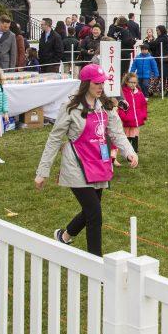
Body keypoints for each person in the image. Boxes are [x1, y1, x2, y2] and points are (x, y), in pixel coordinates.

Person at [37, 64, 137, 257]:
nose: (100, 87)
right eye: (96, 83)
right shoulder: (71, 108)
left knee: (91, 210)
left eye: (102, 83)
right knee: (95, 214)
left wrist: (129, 152)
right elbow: (54, 138)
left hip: (99, 162)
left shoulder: (106, 106)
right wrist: (43, 172)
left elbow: (116, 132)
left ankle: (64, 236)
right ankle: (96, 263)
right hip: (76, 165)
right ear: (86, 84)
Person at [117, 72, 148, 153]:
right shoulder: (122, 94)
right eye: (131, 82)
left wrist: (143, 115)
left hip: (136, 120)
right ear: (127, 82)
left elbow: (144, 105)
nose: (133, 84)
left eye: (135, 82)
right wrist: (124, 117)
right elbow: (120, 107)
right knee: (127, 136)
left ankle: (135, 152)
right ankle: (127, 153)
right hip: (127, 121)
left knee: (135, 135)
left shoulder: (139, 93)